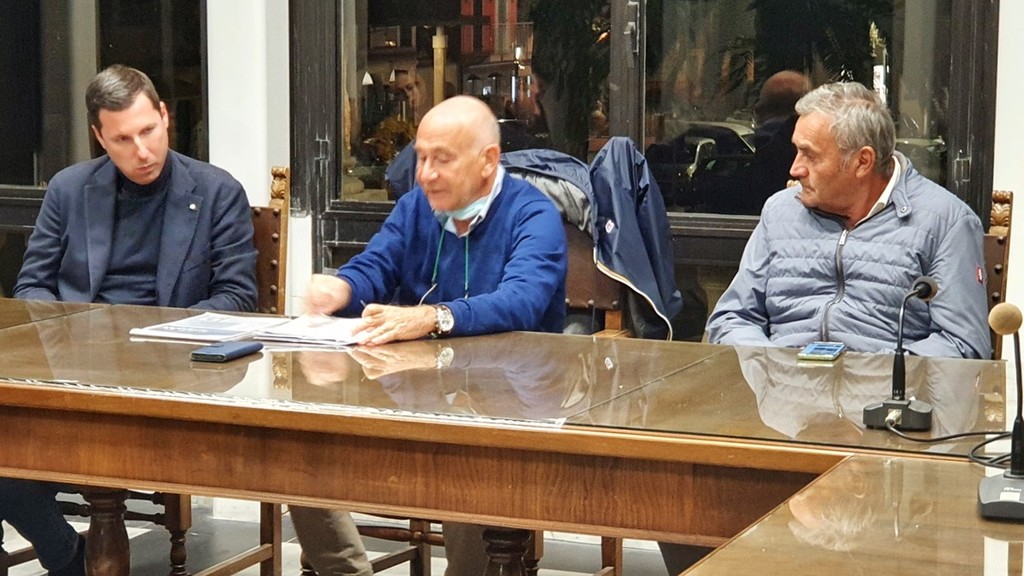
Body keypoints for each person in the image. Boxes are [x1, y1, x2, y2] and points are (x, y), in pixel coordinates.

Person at [292, 95, 567, 576]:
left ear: (488, 161)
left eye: (442, 159)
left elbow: (522, 299)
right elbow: (376, 265)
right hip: (413, 396)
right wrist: (342, 287)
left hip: (501, 408)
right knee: (297, 452)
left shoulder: (533, 214)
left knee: (468, 470)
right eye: (420, 158)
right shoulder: (416, 207)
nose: (425, 174)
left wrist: (434, 317)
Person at [4, 64, 257, 576]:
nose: (142, 151)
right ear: (100, 137)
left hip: (169, 380)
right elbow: (31, 287)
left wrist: (158, 334)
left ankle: (69, 558)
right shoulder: (70, 189)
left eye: (149, 131)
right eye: (122, 139)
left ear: (165, 116)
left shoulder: (216, 191)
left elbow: (238, 298)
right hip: (76, 375)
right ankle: (66, 554)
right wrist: (72, 334)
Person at [706, 81, 990, 359]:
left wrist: (875, 373)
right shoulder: (780, 212)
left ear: (862, 162)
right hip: (784, 381)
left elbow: (961, 344)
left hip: (886, 385)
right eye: (796, 151)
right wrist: (773, 364)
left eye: (810, 155)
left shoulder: (945, 222)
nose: (795, 169)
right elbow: (732, 318)